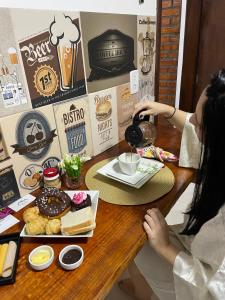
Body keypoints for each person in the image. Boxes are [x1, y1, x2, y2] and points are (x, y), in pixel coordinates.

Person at [119, 69, 225, 300]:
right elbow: (191, 122)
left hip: (202, 283)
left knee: (135, 242)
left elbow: (215, 289)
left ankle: (147, 293)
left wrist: (166, 247)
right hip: (199, 244)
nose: (191, 125)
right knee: (142, 231)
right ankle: (142, 289)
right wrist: (167, 110)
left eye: (198, 125)